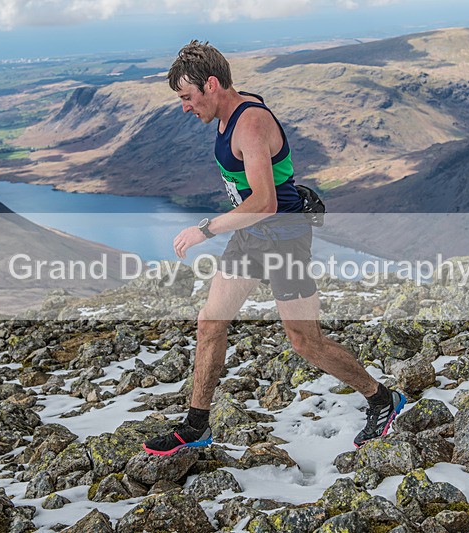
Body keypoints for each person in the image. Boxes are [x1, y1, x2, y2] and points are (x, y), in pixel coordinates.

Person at [143, 40, 405, 456]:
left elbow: (264, 202)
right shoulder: (229, 111)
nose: (184, 107)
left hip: (284, 239)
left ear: (211, 85)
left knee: (305, 342)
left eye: (187, 97)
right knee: (211, 323)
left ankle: (381, 398)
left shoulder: (249, 123)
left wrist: (205, 230)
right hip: (252, 237)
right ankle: (196, 425)